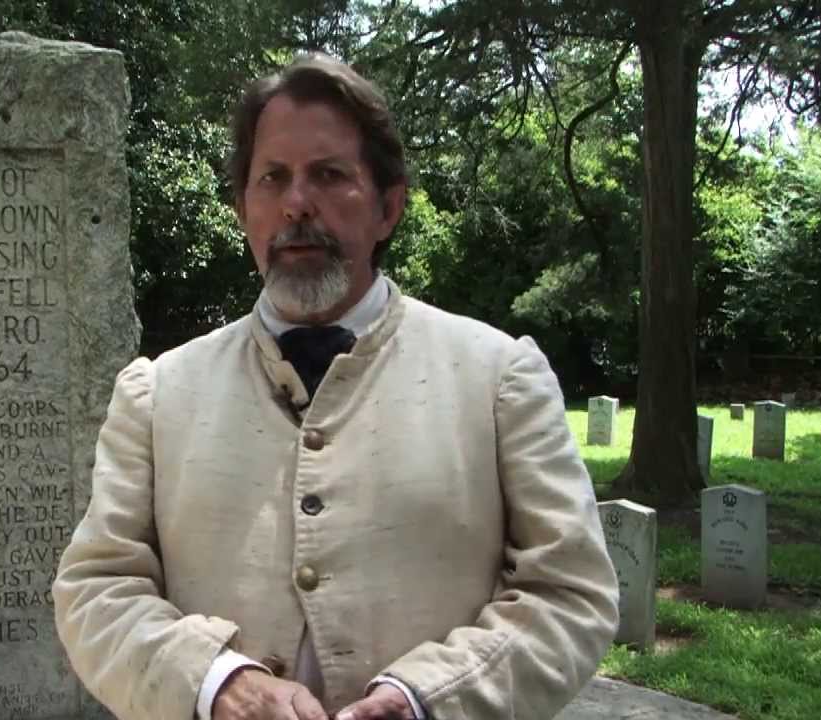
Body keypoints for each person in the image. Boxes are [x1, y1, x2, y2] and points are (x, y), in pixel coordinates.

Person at [52, 54, 619, 720]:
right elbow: (95, 590)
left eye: (329, 175)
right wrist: (217, 682)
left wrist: (426, 699)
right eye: (273, 178)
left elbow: (571, 593)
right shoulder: (158, 393)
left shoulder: (499, 376)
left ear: (388, 207)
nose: (297, 203)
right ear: (243, 209)